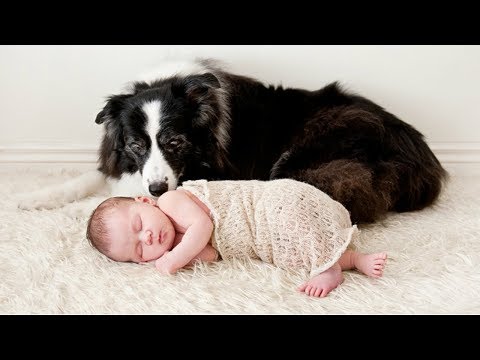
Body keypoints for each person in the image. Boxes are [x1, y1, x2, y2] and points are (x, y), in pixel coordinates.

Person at [86, 179, 387, 298]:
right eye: (140, 249)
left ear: (145, 201)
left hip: (271, 203)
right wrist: (182, 254)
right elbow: (211, 254)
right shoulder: (178, 241)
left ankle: (329, 268)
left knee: (292, 224)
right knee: (286, 252)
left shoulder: (170, 201)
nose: (148, 237)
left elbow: (202, 226)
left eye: (139, 224)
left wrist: (173, 260)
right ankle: (352, 259)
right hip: (260, 235)